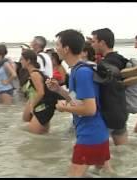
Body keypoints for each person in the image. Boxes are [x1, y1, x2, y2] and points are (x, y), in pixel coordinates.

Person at [47, 29, 112, 177]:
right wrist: (59, 90)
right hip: (97, 132)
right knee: (105, 173)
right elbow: (78, 101)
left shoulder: (82, 72)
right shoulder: (78, 70)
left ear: (66, 48)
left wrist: (64, 108)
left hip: (90, 134)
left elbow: (90, 110)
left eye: (57, 44)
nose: (56, 48)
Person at [91, 28, 129, 146]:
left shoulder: (104, 65)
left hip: (107, 114)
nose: (92, 44)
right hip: (121, 110)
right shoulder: (121, 59)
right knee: (122, 151)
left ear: (102, 43)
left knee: (101, 158)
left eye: (94, 41)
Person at [21, 49, 56, 134]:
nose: (20, 61)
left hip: (43, 107)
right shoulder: (33, 73)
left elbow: (41, 92)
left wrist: (32, 106)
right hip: (40, 105)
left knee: (36, 136)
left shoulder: (34, 74)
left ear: (28, 61)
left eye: (22, 59)